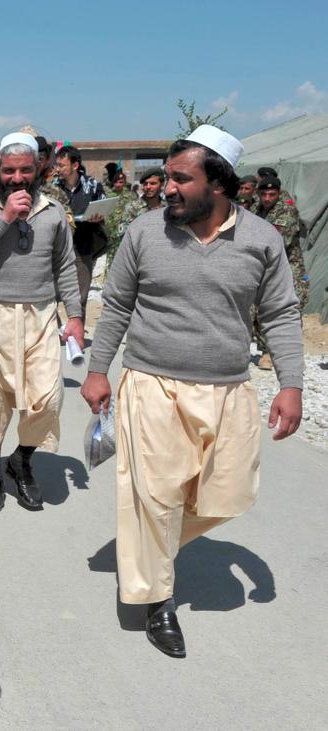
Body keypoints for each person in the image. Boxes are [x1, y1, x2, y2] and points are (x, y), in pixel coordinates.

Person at [81, 125, 303, 659]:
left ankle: (148, 545)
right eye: (167, 177)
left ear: (218, 184)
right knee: (156, 497)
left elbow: (280, 313)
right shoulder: (144, 231)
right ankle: (159, 600)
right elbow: (117, 304)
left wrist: (292, 384)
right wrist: (98, 370)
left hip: (228, 390)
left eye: (181, 178)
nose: (168, 188)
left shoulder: (262, 240)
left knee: (231, 494)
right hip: (152, 384)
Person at [0, 132, 84, 512]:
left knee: (48, 398)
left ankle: (21, 460)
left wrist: (75, 315)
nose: (17, 178)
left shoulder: (54, 212)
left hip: (40, 316)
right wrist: (5, 217)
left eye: (25, 170)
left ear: (38, 168)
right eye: (9, 170)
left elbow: (65, 266)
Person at [250, 175, 308, 369]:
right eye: (264, 194)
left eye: (272, 194)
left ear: (279, 193)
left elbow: (277, 243)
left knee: (287, 312)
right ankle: (266, 351)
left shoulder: (287, 212)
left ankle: (290, 357)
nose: (267, 198)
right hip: (261, 266)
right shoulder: (255, 210)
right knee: (258, 309)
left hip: (289, 270)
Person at [52, 145, 108, 313]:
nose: (57, 169)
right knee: (53, 297)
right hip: (59, 250)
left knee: (80, 298)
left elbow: (104, 207)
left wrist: (99, 217)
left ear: (75, 165)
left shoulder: (93, 186)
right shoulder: (54, 188)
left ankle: (77, 329)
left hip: (83, 249)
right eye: (56, 165)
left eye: (61, 165)